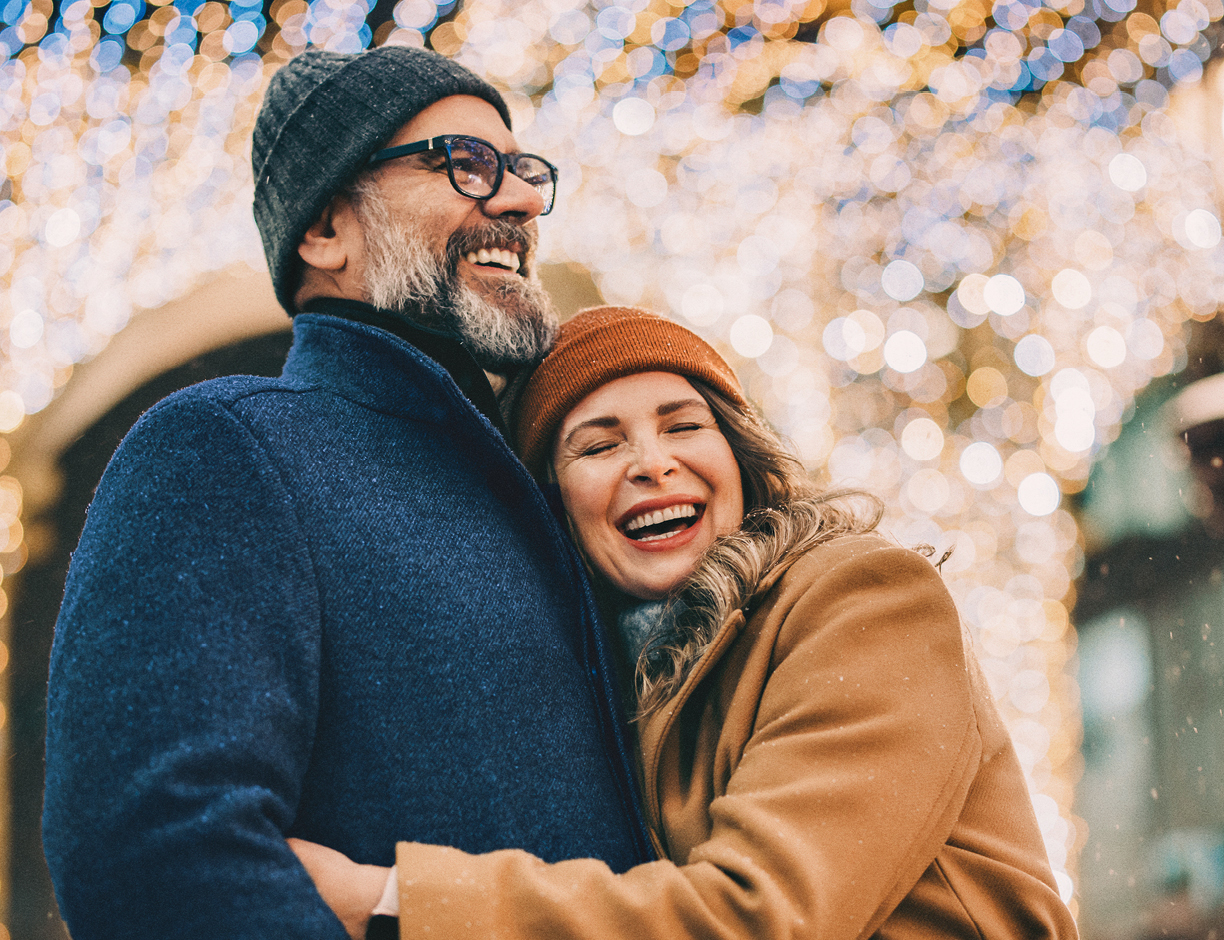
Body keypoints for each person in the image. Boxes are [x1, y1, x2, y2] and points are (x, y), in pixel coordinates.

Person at [41, 48, 653, 939]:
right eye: (467, 165)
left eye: (523, 171)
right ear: (326, 227)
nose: (519, 200)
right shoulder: (225, 447)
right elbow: (156, 856)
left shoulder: (547, 485)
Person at [292, 305, 1080, 939]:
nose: (651, 462)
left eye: (683, 424)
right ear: (550, 509)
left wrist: (387, 898)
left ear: (738, 453)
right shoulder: (604, 682)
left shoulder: (863, 600)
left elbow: (759, 916)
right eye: (598, 444)